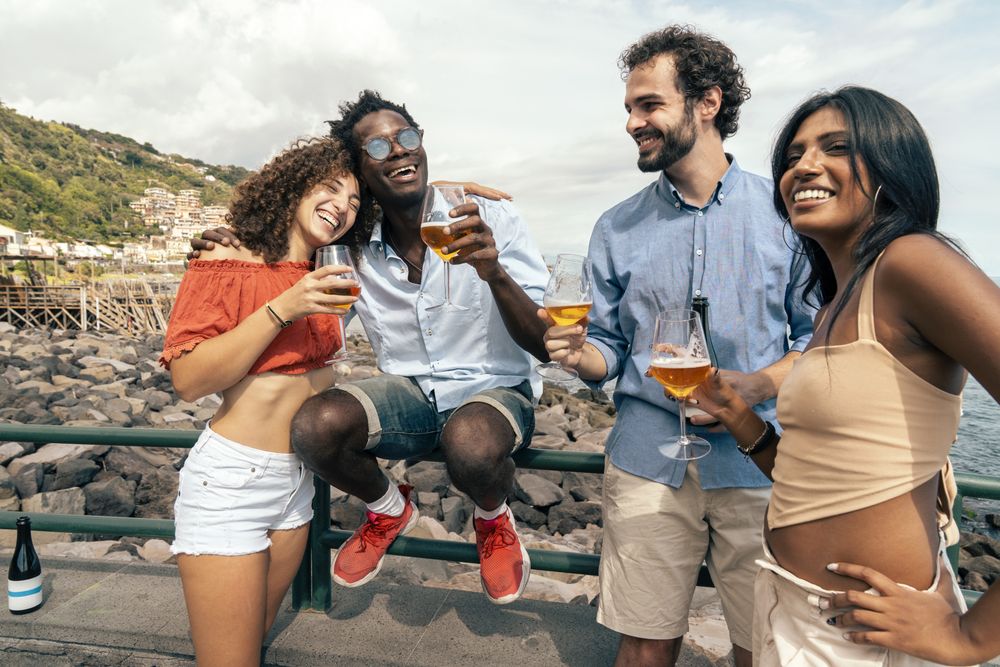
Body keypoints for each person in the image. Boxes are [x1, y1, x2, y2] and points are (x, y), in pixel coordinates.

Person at [192, 90, 550, 605]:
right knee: (315, 427)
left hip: (494, 388)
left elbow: (541, 344)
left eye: (406, 138)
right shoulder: (354, 243)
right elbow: (295, 274)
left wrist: (491, 271)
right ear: (361, 168)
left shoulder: (488, 218)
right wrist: (235, 244)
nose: (399, 152)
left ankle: (492, 516)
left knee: (470, 443)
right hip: (409, 393)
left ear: (422, 143)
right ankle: (387, 506)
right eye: (378, 149)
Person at [691, 85, 1000, 666]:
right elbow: (817, 479)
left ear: (893, 165)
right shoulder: (838, 301)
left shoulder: (912, 262)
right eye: (793, 155)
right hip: (792, 608)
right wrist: (737, 415)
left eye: (837, 147)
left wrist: (975, 635)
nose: (804, 165)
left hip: (864, 638)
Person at [540, 26, 814, 666]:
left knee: (764, 643)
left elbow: (814, 341)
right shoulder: (615, 226)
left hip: (760, 460)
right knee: (642, 642)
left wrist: (757, 386)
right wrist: (577, 355)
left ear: (708, 103)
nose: (634, 122)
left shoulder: (785, 215)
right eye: (630, 109)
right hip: (645, 459)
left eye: (649, 105)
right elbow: (606, 348)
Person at [161, 137, 371, 665]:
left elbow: (412, 207)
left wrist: (459, 192)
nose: (342, 207)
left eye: (354, 202)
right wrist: (284, 308)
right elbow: (187, 380)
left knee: (251, 643)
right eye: (330, 189)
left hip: (296, 487)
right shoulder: (228, 258)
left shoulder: (328, 272)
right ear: (294, 187)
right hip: (232, 482)